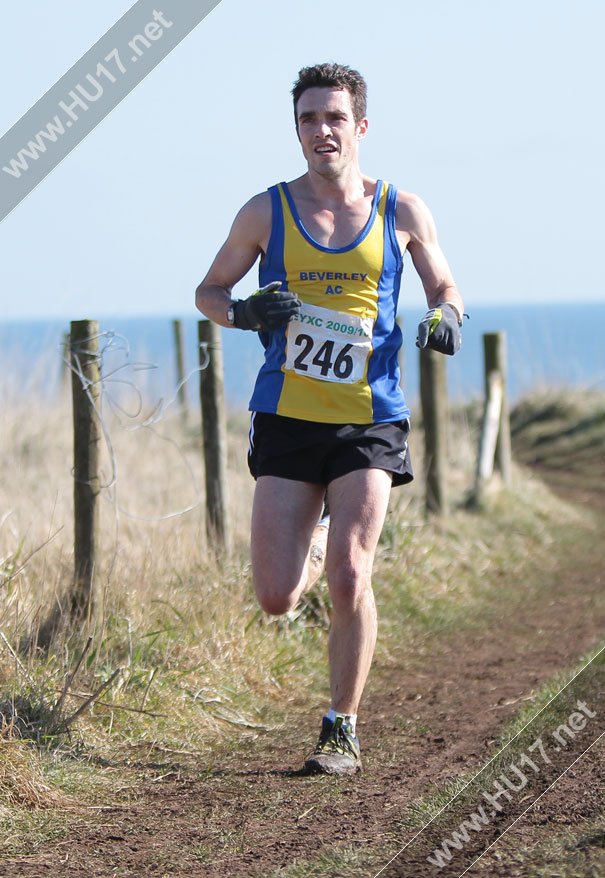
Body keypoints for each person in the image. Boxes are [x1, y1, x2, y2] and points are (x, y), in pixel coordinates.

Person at [195, 62, 465, 775]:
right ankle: (317, 537)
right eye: (308, 119)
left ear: (360, 127)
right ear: (297, 129)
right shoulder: (265, 211)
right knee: (277, 597)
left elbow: (443, 284)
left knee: (350, 576)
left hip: (368, 420)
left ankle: (340, 726)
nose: (321, 131)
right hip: (285, 416)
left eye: (334, 118)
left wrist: (445, 317)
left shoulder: (399, 208)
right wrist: (242, 311)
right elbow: (209, 290)